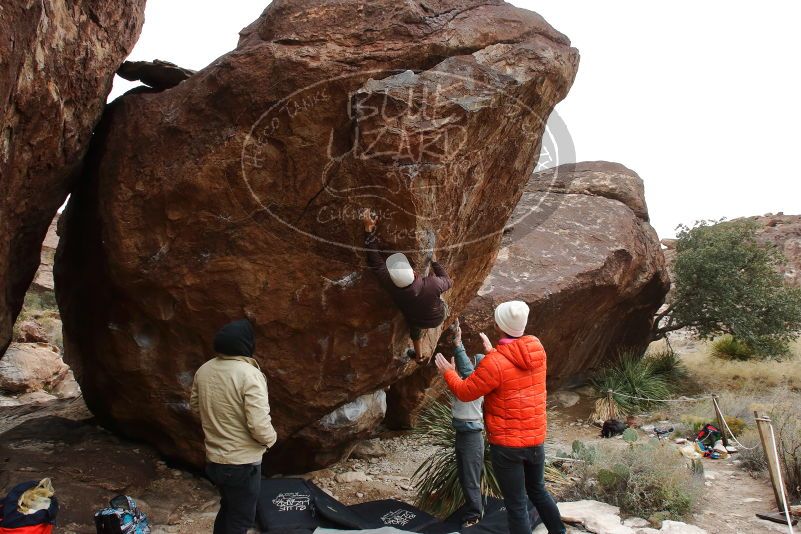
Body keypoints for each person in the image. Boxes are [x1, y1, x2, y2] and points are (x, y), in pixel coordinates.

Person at [434, 302, 566, 534]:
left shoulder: (494, 364)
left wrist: (448, 373)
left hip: (507, 447)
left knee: (516, 505)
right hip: (535, 441)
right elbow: (515, 365)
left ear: (498, 326)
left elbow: (466, 392)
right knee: (538, 491)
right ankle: (560, 532)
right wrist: (494, 352)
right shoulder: (537, 350)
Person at [190, 319, 278, 534]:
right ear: (246, 344)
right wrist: (271, 439)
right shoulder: (249, 374)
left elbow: (194, 407)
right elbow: (258, 423)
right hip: (242, 462)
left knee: (228, 507)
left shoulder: (204, 369)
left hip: (214, 459)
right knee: (241, 519)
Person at [362, 209, 452, 363]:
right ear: (414, 273)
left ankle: (419, 356)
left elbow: (374, 259)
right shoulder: (432, 283)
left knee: (415, 328)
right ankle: (419, 356)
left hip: (416, 320)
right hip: (437, 316)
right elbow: (448, 281)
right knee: (437, 293)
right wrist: (435, 263)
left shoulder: (391, 285)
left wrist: (368, 230)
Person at [449, 320, 485, 528]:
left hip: (472, 437)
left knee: (470, 479)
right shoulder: (464, 385)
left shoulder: (477, 384)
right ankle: (471, 511)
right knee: (465, 477)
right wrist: (451, 373)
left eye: (475, 363)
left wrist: (458, 344)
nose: (471, 365)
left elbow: (466, 369)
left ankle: (474, 517)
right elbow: (460, 376)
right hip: (462, 434)